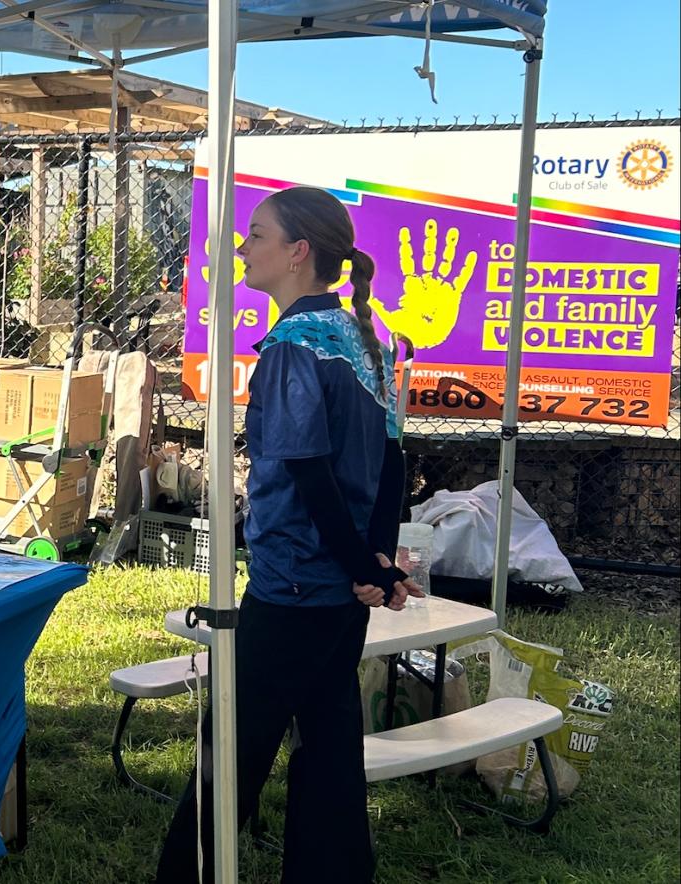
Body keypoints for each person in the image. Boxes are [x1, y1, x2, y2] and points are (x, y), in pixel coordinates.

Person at [154, 186, 421, 884]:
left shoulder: (295, 346)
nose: (243, 246)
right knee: (331, 746)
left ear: (298, 252)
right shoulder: (366, 341)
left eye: (257, 234)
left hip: (296, 584)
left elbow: (307, 470)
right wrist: (376, 562)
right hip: (339, 590)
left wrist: (365, 561)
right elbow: (392, 461)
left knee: (230, 754)